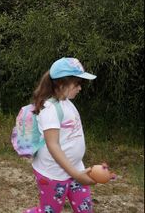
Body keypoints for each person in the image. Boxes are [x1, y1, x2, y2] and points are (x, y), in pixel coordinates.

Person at [24, 57, 97, 213]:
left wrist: (79, 171)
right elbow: (53, 145)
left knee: (85, 209)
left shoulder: (66, 102)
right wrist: (75, 174)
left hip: (75, 169)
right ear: (62, 83)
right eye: (77, 84)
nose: (80, 88)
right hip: (53, 174)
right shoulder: (50, 108)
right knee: (49, 211)